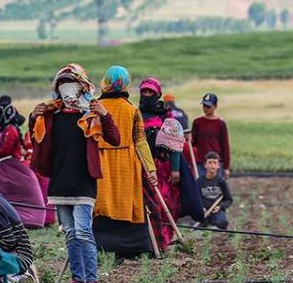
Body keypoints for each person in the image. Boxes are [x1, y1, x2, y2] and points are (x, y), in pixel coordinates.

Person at [30, 63, 121, 283]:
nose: (67, 90)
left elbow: (115, 138)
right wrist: (33, 117)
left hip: (83, 181)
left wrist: (105, 115)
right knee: (70, 233)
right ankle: (77, 280)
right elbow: (35, 139)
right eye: (63, 85)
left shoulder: (90, 115)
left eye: (72, 85)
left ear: (82, 88)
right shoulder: (51, 115)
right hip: (60, 182)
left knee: (83, 231)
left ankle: (92, 281)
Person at [92, 65, 160, 258]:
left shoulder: (95, 107)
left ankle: (98, 246)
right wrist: (150, 168)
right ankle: (128, 250)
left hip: (101, 160)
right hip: (126, 163)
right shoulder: (132, 110)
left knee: (102, 202)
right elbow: (140, 140)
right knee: (125, 203)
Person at [140, 78, 203, 247]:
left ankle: (166, 237)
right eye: (144, 92)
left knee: (168, 202)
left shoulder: (165, 114)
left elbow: (174, 143)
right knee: (147, 204)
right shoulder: (136, 114)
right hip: (144, 167)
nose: (146, 95)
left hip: (164, 166)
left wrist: (176, 169)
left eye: (150, 92)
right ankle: (150, 241)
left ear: (158, 94)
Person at [0, 97, 48, 229]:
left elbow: (6, 149)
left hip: (9, 168)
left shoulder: (10, 130)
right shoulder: (7, 130)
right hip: (4, 167)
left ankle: (25, 218)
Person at [191, 92, 231, 179]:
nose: (206, 109)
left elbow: (225, 145)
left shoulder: (220, 124)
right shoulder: (197, 122)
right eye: (204, 106)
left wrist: (226, 167)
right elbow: (193, 142)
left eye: (208, 107)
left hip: (215, 162)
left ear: (215, 106)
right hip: (201, 161)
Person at [197, 152, 233, 229]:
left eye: (215, 163)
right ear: (205, 165)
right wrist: (201, 207)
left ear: (218, 165)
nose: (212, 165)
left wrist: (220, 206)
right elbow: (195, 198)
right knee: (199, 223)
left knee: (222, 223)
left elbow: (229, 199)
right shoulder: (199, 181)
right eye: (209, 162)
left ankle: (215, 223)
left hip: (217, 211)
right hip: (203, 211)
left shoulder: (221, 182)